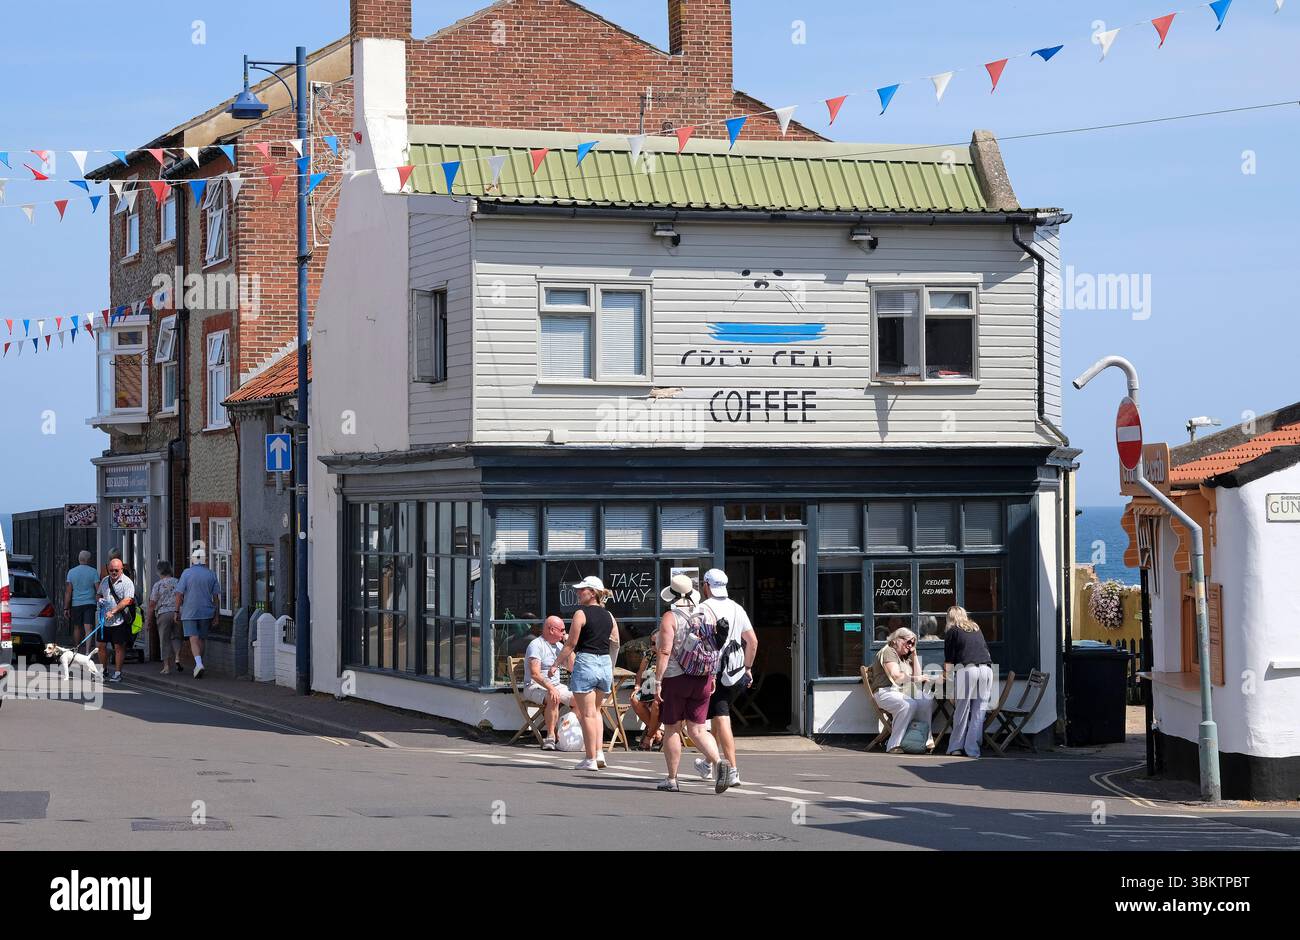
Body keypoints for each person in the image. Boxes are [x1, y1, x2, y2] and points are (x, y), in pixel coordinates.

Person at [653, 573, 730, 794]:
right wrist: (713, 675)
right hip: (703, 677)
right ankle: (718, 762)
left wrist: (658, 681)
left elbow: (665, 651)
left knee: (672, 728)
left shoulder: (670, 617)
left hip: (676, 679)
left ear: (671, 595)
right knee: (697, 728)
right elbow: (715, 647)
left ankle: (672, 779)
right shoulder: (707, 612)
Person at [692, 568, 757, 788]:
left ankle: (731, 769)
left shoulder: (703, 608)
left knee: (718, 718)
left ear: (707, 585)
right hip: (735, 671)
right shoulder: (737, 608)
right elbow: (752, 641)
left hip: (712, 671)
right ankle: (709, 764)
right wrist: (747, 668)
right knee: (717, 718)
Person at [556, 576, 619, 772]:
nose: (577, 592)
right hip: (604, 663)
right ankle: (599, 753)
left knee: (587, 714)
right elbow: (615, 641)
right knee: (597, 711)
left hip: (587, 661)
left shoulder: (580, 613)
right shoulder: (609, 616)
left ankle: (590, 758)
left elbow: (571, 643)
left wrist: (556, 663)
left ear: (592, 592)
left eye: (582, 589)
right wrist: (611, 665)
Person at [867, 627, 936, 753]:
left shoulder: (904, 656)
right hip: (884, 692)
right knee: (908, 704)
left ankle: (924, 739)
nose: (910, 646)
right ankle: (894, 745)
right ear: (896, 640)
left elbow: (918, 675)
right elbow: (896, 676)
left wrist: (914, 654)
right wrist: (916, 678)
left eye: (913, 643)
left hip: (901, 691)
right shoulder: (889, 651)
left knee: (926, 699)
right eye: (908, 642)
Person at [942, 606, 995, 757]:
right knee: (979, 712)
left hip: (967, 670)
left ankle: (955, 748)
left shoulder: (952, 631)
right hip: (986, 670)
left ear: (949, 617)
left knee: (962, 710)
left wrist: (949, 684)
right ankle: (973, 750)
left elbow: (949, 663)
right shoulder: (976, 628)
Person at [524, 616, 572, 749]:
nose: (564, 632)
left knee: (580, 700)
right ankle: (550, 737)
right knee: (553, 697)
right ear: (551, 630)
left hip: (556, 686)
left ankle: (565, 731)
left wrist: (569, 646)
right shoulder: (536, 645)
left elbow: (571, 668)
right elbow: (535, 674)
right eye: (562, 630)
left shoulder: (560, 646)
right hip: (534, 686)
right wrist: (550, 688)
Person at [173, 547, 221, 679]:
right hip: (207, 611)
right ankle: (199, 664)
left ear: (193, 560)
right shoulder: (211, 574)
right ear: (204, 560)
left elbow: (179, 594)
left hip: (190, 611)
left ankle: (198, 664)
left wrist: (176, 611)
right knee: (202, 639)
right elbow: (216, 597)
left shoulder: (186, 573)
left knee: (193, 638)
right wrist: (216, 615)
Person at [97, 557, 135, 683]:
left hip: (119, 620)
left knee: (118, 647)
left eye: (116, 571)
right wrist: (99, 599)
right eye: (111, 570)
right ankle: (104, 670)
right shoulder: (104, 581)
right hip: (105, 620)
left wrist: (113, 611)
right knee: (101, 646)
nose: (113, 573)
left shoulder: (127, 582)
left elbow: (127, 600)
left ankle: (118, 673)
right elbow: (99, 594)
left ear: (121, 569)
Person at [147, 560, 182, 675]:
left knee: (164, 640)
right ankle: (177, 657)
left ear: (159, 571)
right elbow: (182, 597)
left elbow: (152, 604)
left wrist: (149, 620)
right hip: (177, 612)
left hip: (163, 613)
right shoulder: (177, 582)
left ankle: (166, 666)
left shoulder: (158, 585)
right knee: (176, 637)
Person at [628, 647, 663, 751]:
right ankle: (656, 733)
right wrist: (637, 686)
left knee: (656, 705)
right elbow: (640, 672)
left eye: (655, 642)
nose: (652, 645)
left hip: (663, 688)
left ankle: (649, 737)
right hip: (648, 687)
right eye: (651, 642)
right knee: (634, 698)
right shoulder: (649, 654)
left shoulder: (669, 653)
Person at [64, 551, 99, 647]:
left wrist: (66, 608)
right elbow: (98, 589)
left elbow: (68, 592)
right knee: (89, 628)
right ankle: (87, 651)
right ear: (88, 560)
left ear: (79, 559)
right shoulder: (93, 571)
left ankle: (76, 649)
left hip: (76, 604)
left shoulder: (71, 572)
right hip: (90, 603)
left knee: (77, 627)